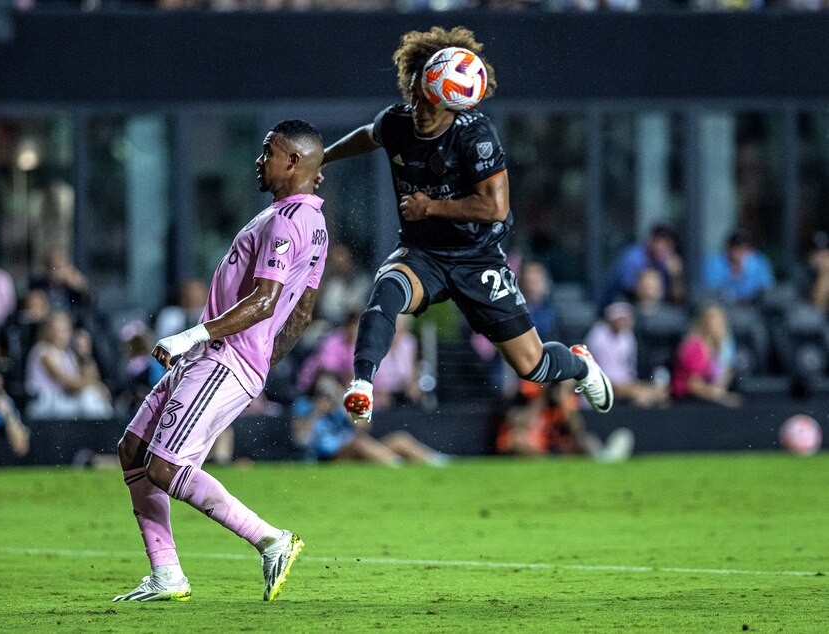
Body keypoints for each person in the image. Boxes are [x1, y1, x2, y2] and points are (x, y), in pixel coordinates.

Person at [319, 26, 613, 423]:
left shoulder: (476, 135)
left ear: (453, 106)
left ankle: (580, 365)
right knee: (387, 288)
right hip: (424, 254)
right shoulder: (398, 121)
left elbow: (495, 207)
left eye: (432, 104)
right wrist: (322, 157)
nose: (420, 110)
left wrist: (432, 208)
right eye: (417, 98)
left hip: (478, 259)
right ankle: (362, 385)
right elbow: (369, 136)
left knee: (533, 366)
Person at [113, 120, 327, 604]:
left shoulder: (287, 221)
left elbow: (268, 300)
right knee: (133, 451)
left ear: (292, 161)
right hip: (223, 356)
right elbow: (304, 310)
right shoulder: (308, 224)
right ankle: (166, 574)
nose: (259, 160)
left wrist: (201, 338)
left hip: (221, 356)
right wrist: (263, 360)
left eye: (268, 151)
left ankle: (271, 540)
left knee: (165, 466)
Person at [291, 371, 446, 467]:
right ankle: (396, 465)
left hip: (360, 449)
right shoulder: (304, 404)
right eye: (323, 388)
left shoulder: (342, 402)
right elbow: (300, 438)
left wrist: (341, 403)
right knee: (358, 442)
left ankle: (439, 462)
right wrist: (317, 412)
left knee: (400, 439)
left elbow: (364, 427)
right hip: (329, 458)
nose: (326, 393)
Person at [493, 380, 633, 462]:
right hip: (534, 446)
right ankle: (551, 463)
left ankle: (605, 458)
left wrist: (563, 401)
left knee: (586, 441)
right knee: (517, 440)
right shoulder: (525, 392)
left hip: (554, 448)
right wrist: (541, 399)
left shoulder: (562, 399)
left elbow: (577, 430)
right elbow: (515, 421)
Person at [23, 310, 113, 419]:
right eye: (54, 329)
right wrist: (97, 385)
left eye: (63, 330)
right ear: (46, 330)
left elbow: (86, 378)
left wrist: (85, 356)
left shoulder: (68, 354)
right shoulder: (42, 351)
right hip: (44, 403)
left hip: (63, 402)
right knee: (88, 400)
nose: (59, 334)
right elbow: (68, 383)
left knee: (94, 398)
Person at [584, 302, 668, 408]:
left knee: (661, 393)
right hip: (600, 391)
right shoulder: (599, 336)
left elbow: (628, 372)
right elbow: (607, 381)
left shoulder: (627, 337)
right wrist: (636, 389)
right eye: (620, 318)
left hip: (625, 386)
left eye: (626, 318)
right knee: (641, 397)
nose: (624, 322)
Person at [670, 304, 742, 408]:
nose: (721, 324)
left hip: (706, 397)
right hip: (687, 400)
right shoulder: (695, 347)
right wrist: (722, 397)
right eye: (715, 321)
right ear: (704, 324)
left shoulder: (721, 346)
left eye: (722, 320)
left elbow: (725, 375)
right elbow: (692, 385)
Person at [601, 224, 685, 308]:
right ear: (651, 240)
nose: (661, 248)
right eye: (659, 242)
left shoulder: (664, 261)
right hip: (614, 306)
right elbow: (629, 292)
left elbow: (677, 298)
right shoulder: (634, 257)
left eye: (667, 245)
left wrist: (676, 277)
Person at [702, 228, 774, 304]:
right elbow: (710, 293)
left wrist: (743, 272)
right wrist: (732, 274)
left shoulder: (760, 263)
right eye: (737, 249)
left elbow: (767, 291)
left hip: (753, 309)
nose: (740, 255)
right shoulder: (714, 263)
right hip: (724, 309)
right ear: (727, 248)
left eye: (744, 250)